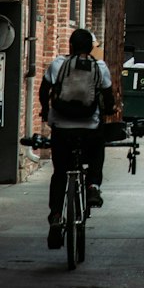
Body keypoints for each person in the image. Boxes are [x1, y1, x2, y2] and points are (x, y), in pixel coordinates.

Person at [39, 27, 114, 242]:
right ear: (91, 47)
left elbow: (44, 91)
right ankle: (92, 186)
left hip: (61, 128)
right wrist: (109, 109)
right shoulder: (99, 67)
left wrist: (46, 111)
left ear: (70, 46)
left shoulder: (58, 64)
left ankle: (55, 216)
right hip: (89, 127)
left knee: (60, 173)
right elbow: (108, 98)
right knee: (97, 151)